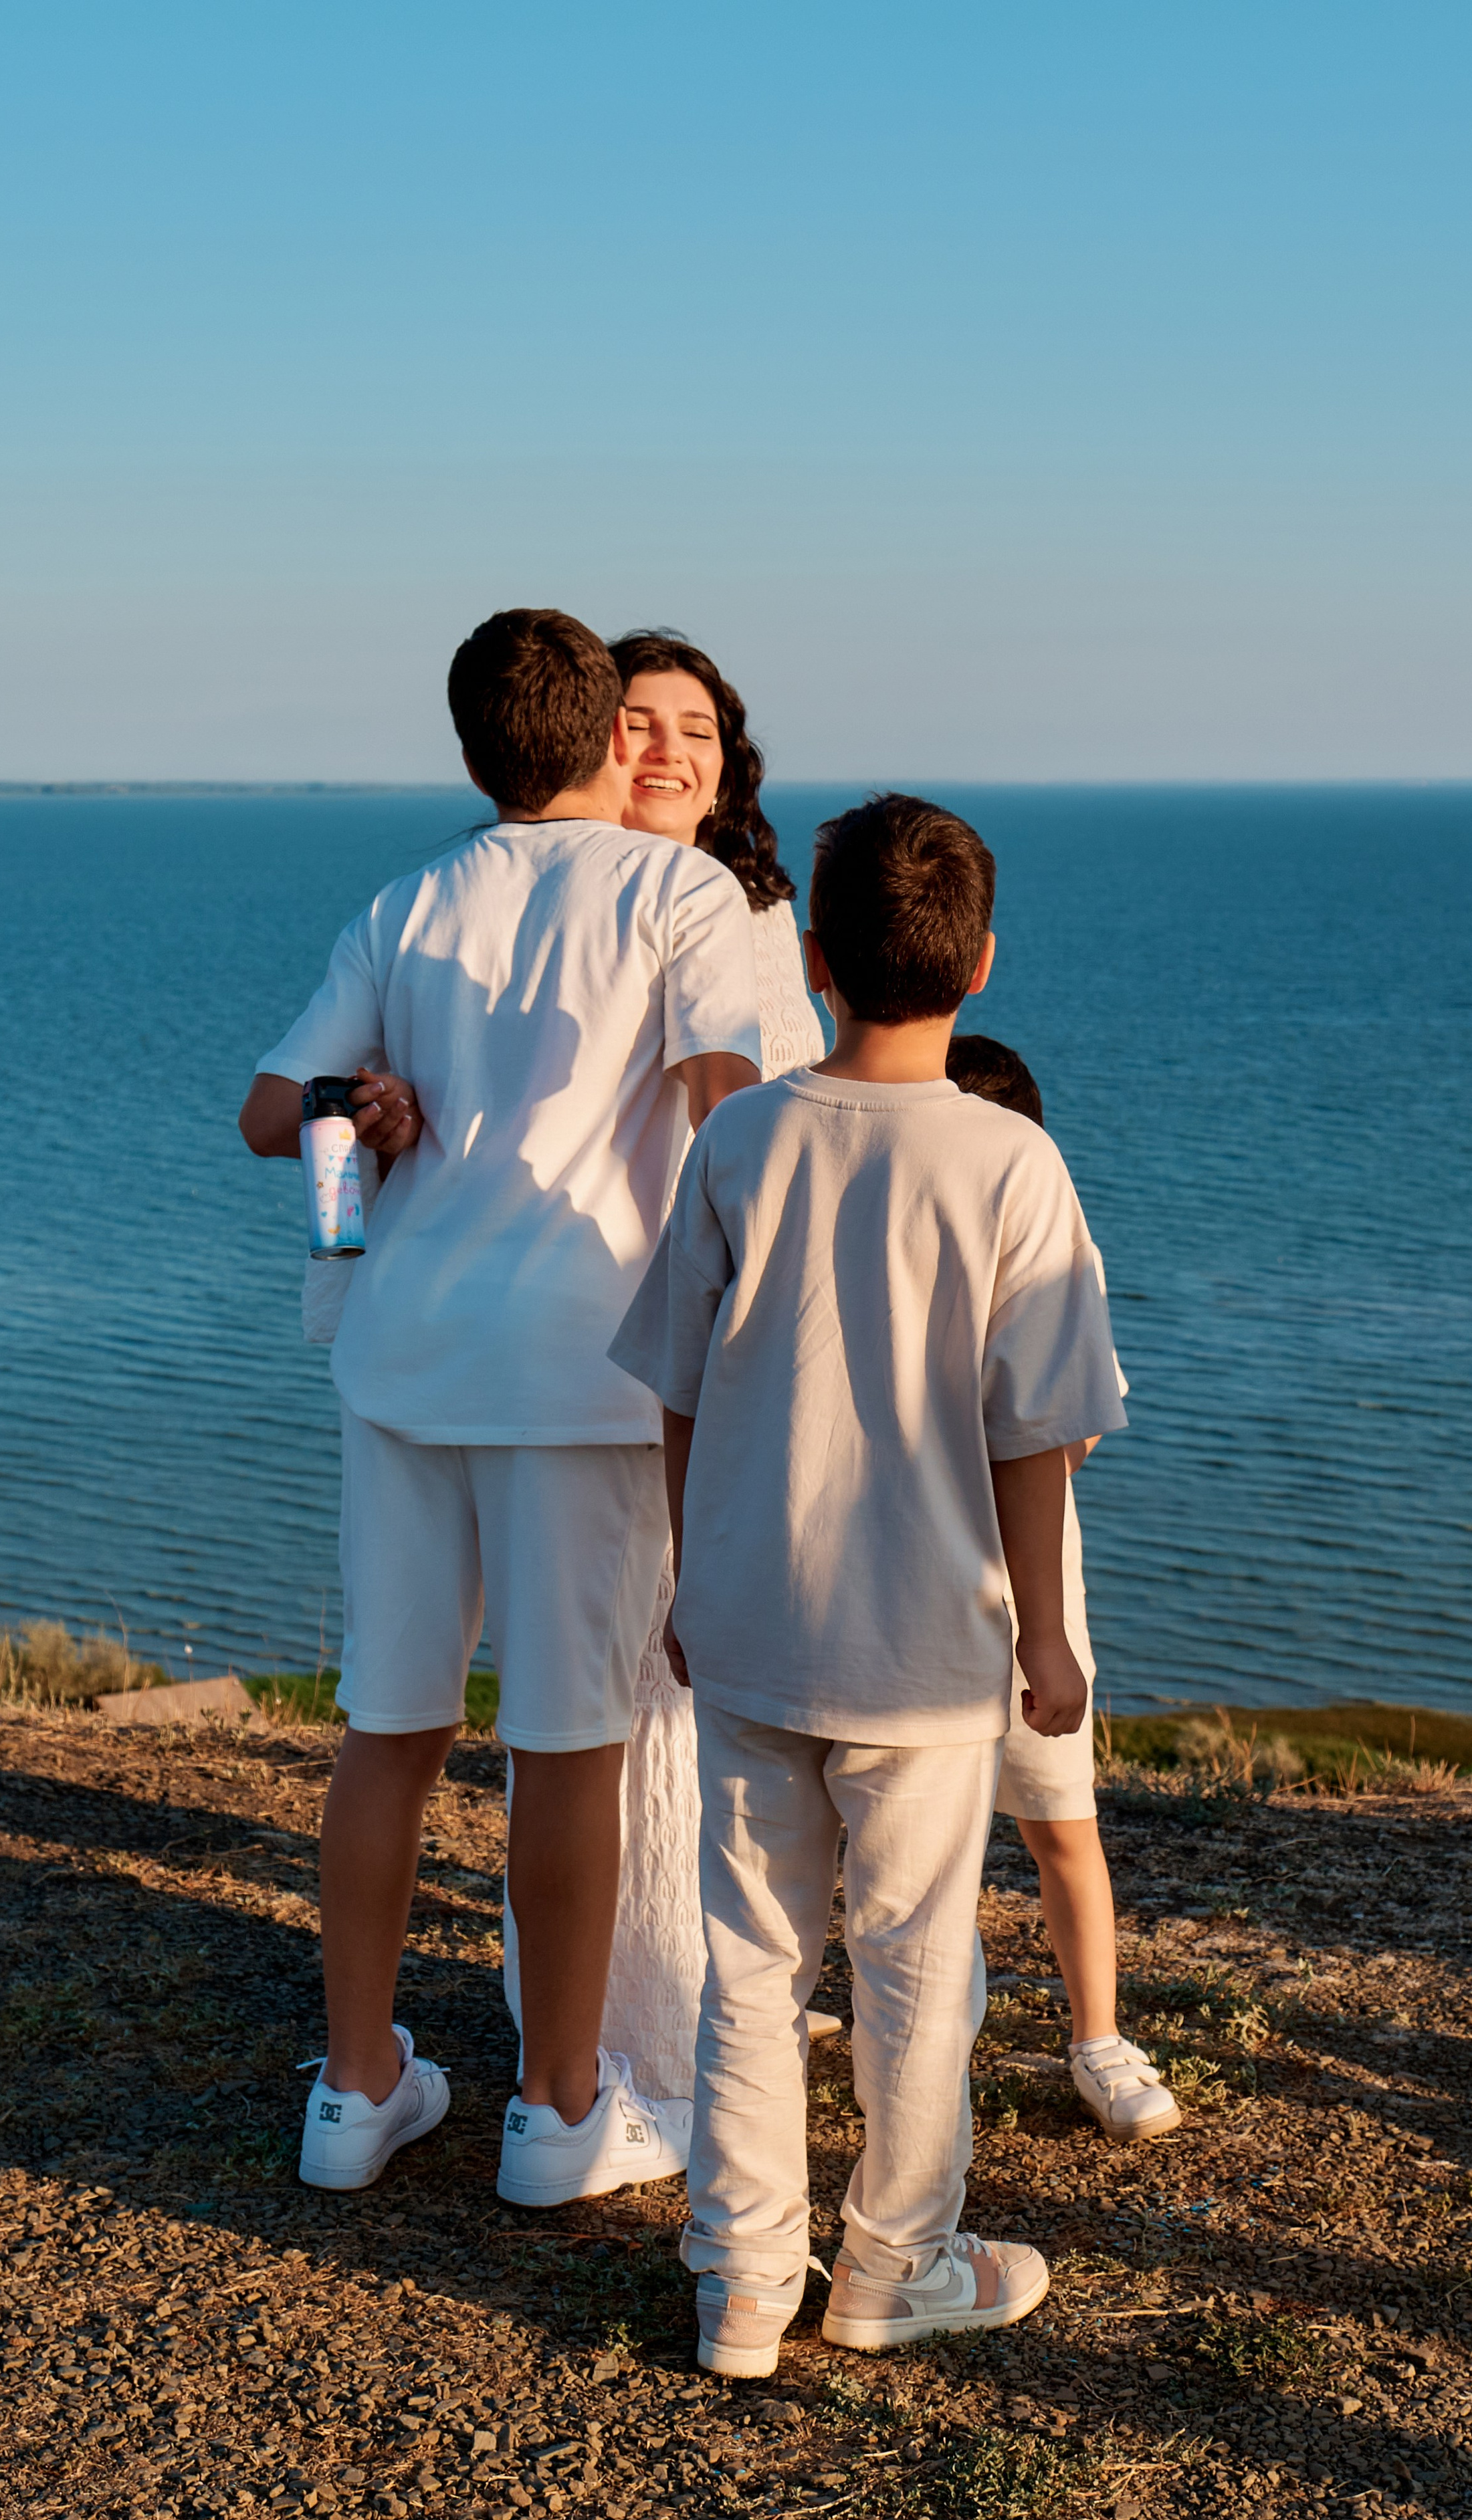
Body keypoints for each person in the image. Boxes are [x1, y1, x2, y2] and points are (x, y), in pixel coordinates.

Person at [238, 608, 762, 2207]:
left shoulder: (407, 899)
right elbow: (730, 1109)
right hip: (589, 1374)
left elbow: (273, 1113)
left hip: (403, 1359)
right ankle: (554, 2110)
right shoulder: (684, 890)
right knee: (566, 1748)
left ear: (470, 749)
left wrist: (366, 1106)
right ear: (613, 737)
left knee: (388, 1730)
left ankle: (353, 2088)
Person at [608, 793, 1128, 2376]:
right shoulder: (1010, 1163)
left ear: (813, 956)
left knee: (751, 1969)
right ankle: (893, 2264)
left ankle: (741, 2286)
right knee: (917, 1973)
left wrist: (693, 1582)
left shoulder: (743, 1136)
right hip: (927, 1649)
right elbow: (1035, 1437)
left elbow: (677, 1389)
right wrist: (1044, 1633)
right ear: (980, 964)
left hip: (755, 1628)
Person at [597, 632, 835, 2097]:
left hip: (722, 1322)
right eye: (635, 721)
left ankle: (716, 2000)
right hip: (584, 1334)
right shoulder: (549, 899)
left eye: (696, 727)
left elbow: (780, 1120)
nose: (669, 748)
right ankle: (627, 2017)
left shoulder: (752, 906)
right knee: (608, 1674)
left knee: (703, 1664)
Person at [946, 1035, 1180, 2142]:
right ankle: (945, 2009)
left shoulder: (1056, 1263)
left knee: (1061, 1827)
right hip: (911, 1593)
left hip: (1030, 1598)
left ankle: (1098, 2036)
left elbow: (1079, 1428)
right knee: (910, 1832)